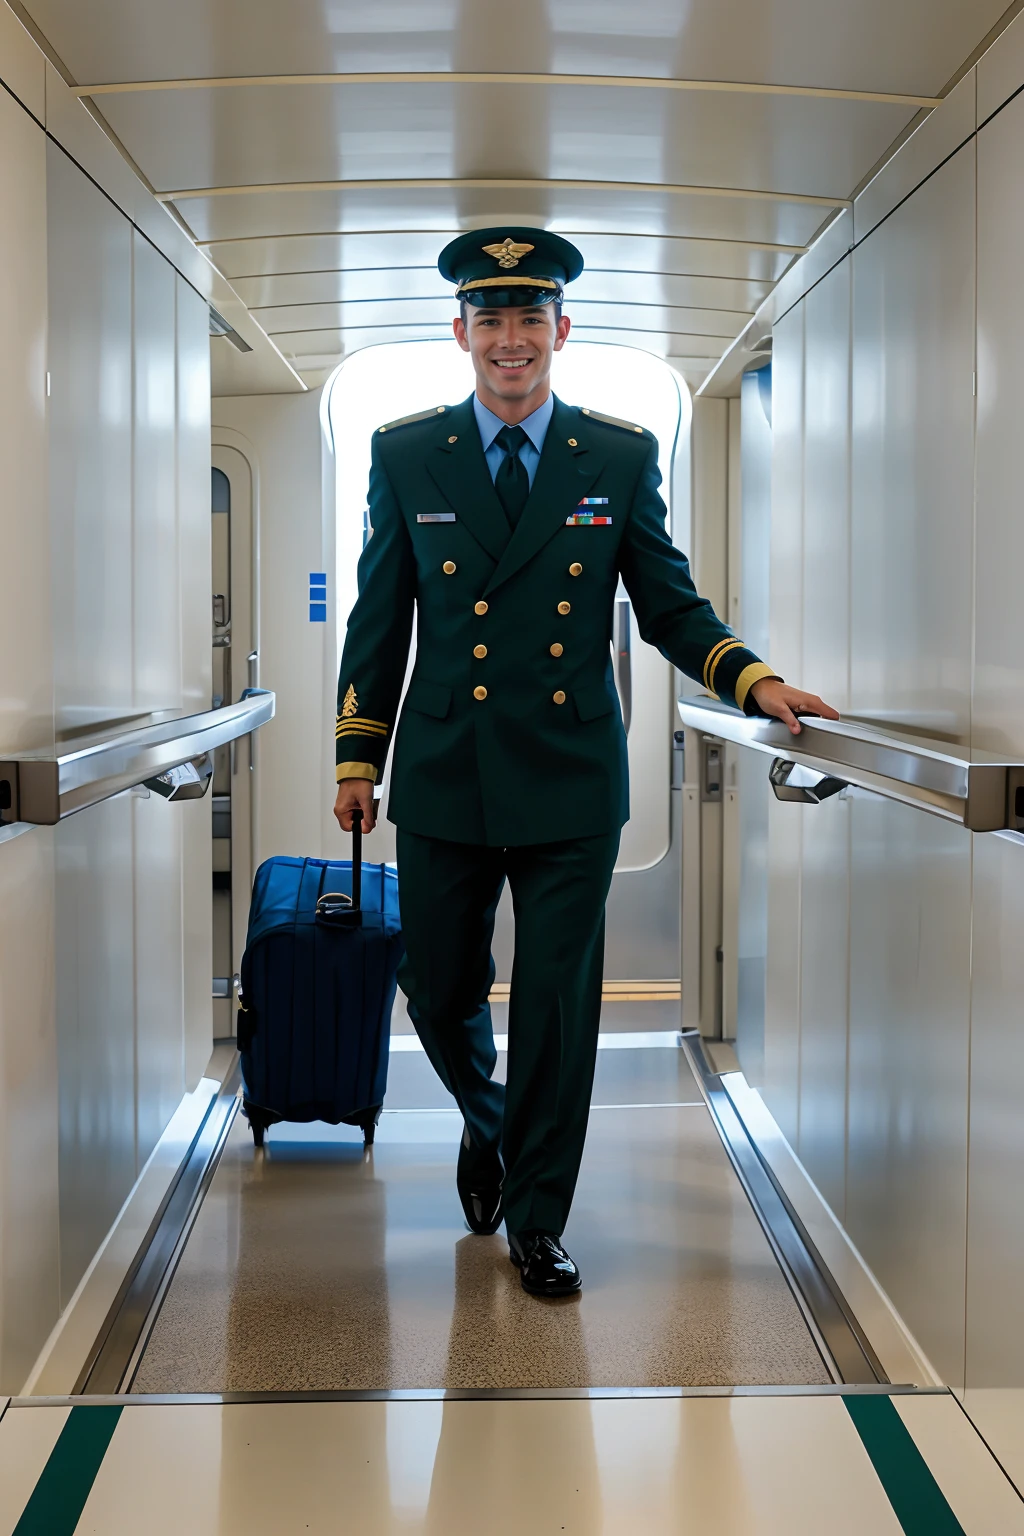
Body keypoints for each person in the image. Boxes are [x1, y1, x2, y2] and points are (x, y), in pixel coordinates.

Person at [333, 226, 837, 1299]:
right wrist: (354, 757)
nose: (508, 341)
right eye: (489, 319)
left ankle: (538, 1219)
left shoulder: (614, 454)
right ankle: (495, 1124)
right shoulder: (402, 450)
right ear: (459, 330)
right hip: (442, 765)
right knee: (433, 982)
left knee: (558, 1004)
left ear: (560, 330)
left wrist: (752, 682)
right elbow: (378, 623)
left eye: (528, 320)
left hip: (568, 775)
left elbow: (668, 604)